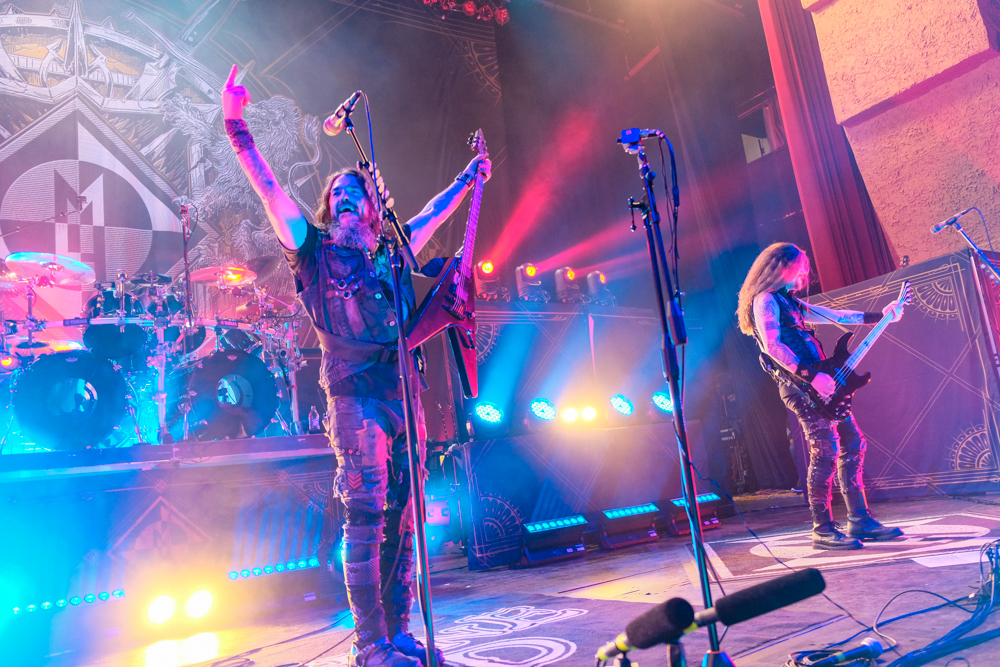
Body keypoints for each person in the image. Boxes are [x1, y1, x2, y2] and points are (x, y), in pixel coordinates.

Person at [222, 65, 490, 667]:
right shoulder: (312, 251)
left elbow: (431, 215)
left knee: (409, 514)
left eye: (355, 194)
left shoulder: (393, 249)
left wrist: (468, 180)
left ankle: (399, 633)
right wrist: (236, 126)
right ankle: (369, 646)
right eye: (335, 195)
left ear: (373, 208)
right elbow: (269, 190)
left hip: (404, 394)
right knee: (367, 513)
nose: (344, 199)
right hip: (354, 398)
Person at [736, 243, 905, 550]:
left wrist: (882, 315)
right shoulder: (764, 300)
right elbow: (772, 347)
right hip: (803, 388)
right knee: (824, 451)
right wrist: (811, 376)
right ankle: (822, 528)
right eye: (799, 266)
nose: (804, 273)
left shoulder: (788, 302)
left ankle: (860, 519)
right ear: (780, 267)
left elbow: (833, 315)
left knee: (852, 443)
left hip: (825, 385)